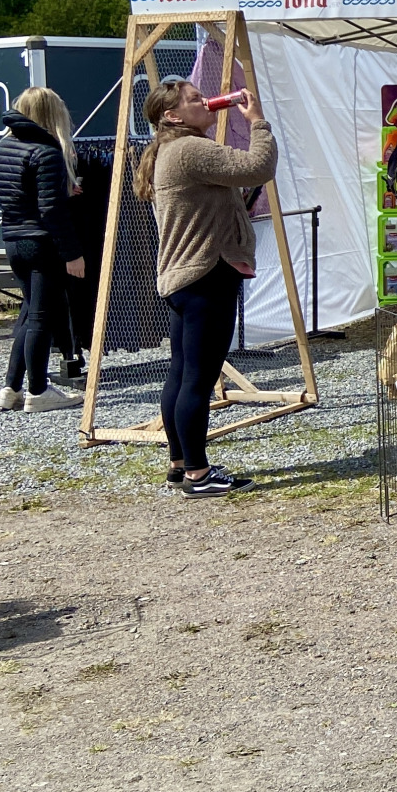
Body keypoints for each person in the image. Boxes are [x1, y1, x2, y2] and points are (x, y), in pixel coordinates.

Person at [133, 77, 278, 497]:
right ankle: (197, 474)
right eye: (195, 100)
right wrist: (257, 122)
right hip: (205, 273)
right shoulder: (189, 149)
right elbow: (258, 168)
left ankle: (180, 464)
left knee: (181, 374)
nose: (206, 102)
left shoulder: (168, 150)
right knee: (198, 377)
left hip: (183, 276)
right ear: (172, 115)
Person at [0, 88, 86, 414]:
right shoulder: (46, 152)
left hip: (13, 239)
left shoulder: (2, 146)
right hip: (42, 242)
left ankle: (12, 387)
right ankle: (38, 390)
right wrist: (72, 253)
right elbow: (51, 211)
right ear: (51, 114)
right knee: (41, 318)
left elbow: (20, 194)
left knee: (29, 313)